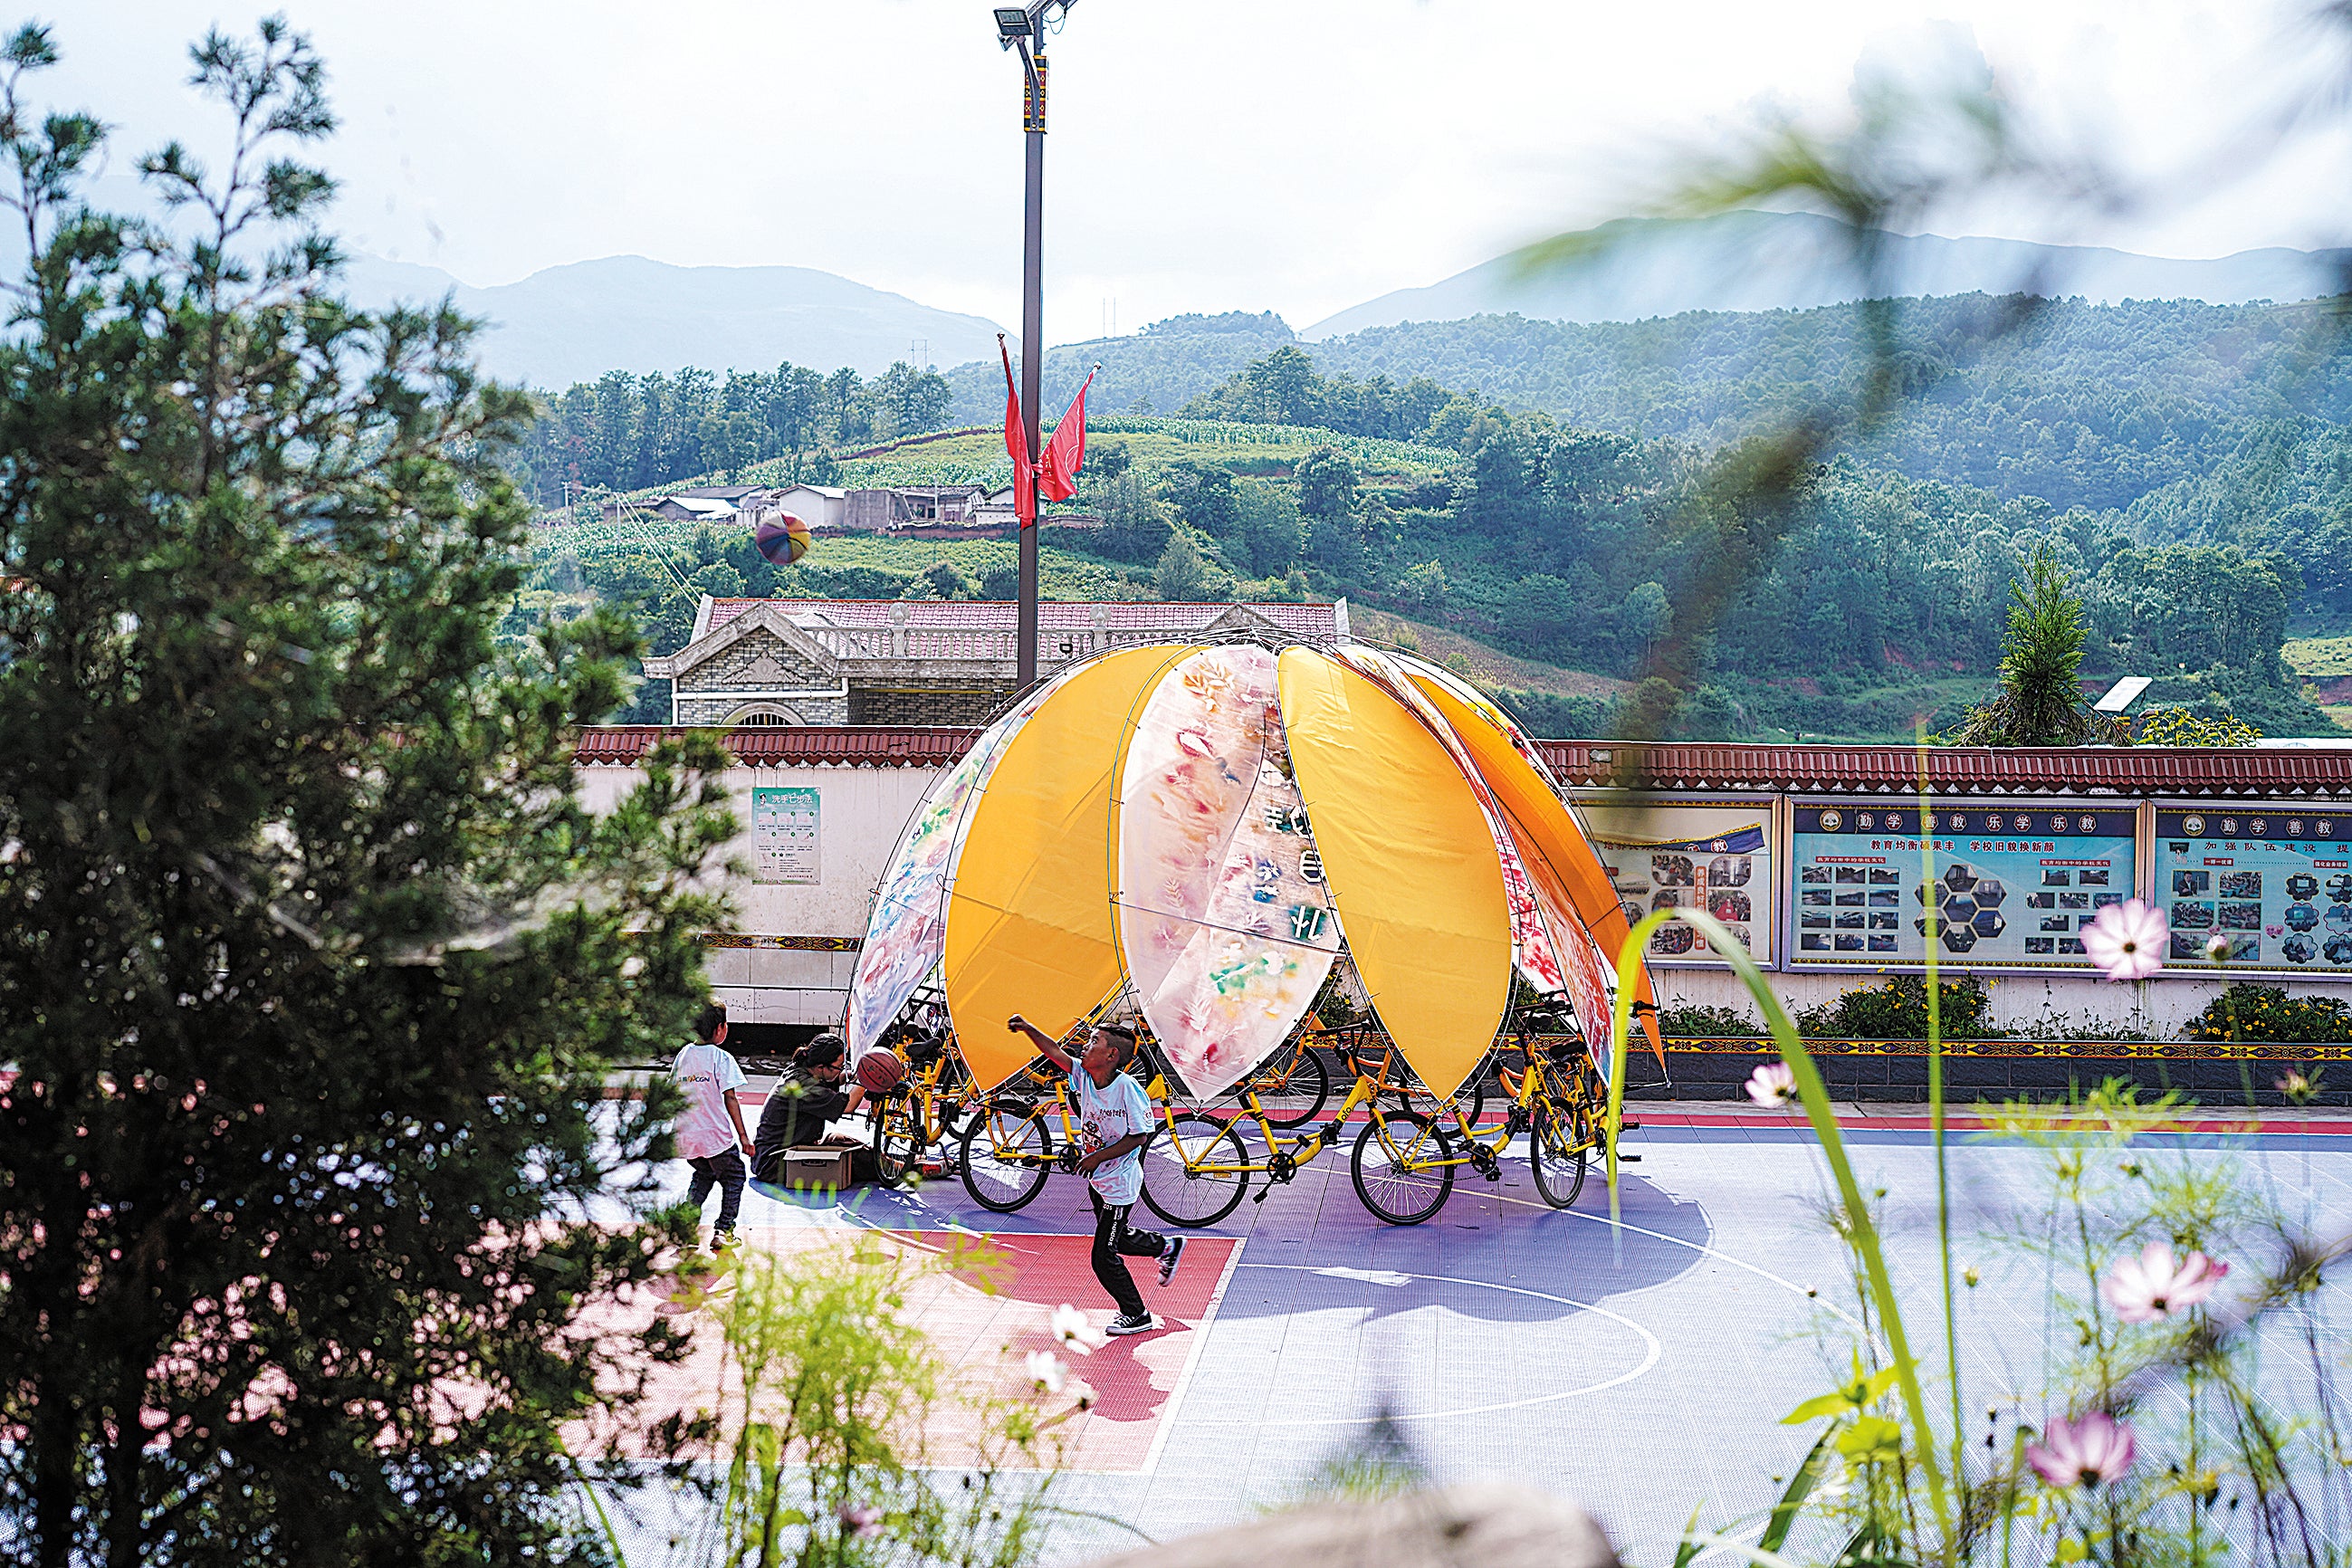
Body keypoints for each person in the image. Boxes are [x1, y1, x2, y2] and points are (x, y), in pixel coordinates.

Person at [1007, 1014, 1183, 1335]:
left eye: (1093, 1042)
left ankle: (1136, 1313)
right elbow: (1055, 1053)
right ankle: (1166, 1246)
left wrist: (1095, 1158)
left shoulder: (1128, 1090)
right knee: (1120, 1237)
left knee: (1104, 1257)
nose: (1085, 1047)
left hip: (1119, 1184)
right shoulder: (1086, 1078)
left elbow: (1138, 1137)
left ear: (1111, 1056)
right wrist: (1030, 1028)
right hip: (1099, 1181)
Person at [671, 1003, 754, 1250]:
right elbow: (730, 1098)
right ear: (721, 1029)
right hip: (715, 1137)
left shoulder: (683, 1054)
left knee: (703, 1175)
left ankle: (685, 1234)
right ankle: (724, 1231)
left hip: (688, 1137)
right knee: (734, 1177)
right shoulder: (722, 1058)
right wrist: (744, 1137)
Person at [751, 1033, 867, 1184]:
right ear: (821, 1067)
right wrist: (867, 1078)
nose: (841, 1070)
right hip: (775, 1163)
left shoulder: (803, 1068)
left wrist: (853, 1074)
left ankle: (896, 1163)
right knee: (851, 1159)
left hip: (772, 1155)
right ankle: (902, 1169)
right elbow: (848, 1106)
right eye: (839, 1067)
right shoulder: (804, 1086)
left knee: (839, 1141)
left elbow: (833, 1078)